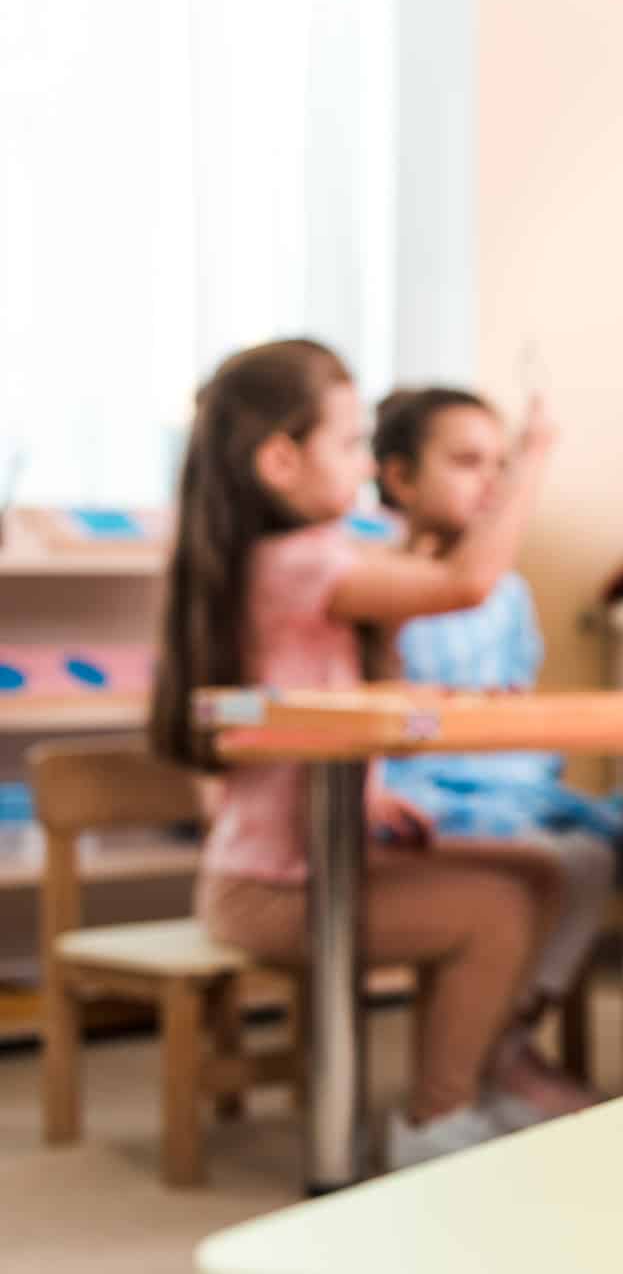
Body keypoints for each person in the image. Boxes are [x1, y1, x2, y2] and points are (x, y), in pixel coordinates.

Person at [149, 339, 571, 1168]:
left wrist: (369, 798)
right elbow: (465, 584)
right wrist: (534, 458)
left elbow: (303, 723)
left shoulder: (276, 562)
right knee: (497, 909)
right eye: (348, 444)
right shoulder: (303, 561)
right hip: (274, 891)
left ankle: (473, 1083)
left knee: (540, 874)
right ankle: (435, 1121)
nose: (365, 463)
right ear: (279, 460)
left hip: (297, 864)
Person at [372, 385, 616, 1116]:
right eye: (467, 462)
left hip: (510, 786)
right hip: (427, 799)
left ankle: (505, 1039)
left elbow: (520, 697)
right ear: (400, 478)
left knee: (594, 854)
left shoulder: (506, 592)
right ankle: (487, 1059)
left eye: (500, 464)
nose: (492, 481)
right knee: (544, 868)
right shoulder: (378, 585)